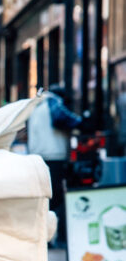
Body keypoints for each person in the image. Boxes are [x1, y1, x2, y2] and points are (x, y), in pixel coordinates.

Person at [26, 84, 82, 244]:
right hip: (53, 156)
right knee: (55, 197)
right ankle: (52, 235)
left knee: (44, 197)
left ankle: (42, 234)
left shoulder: (37, 106)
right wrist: (83, 121)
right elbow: (64, 120)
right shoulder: (54, 102)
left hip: (38, 156)